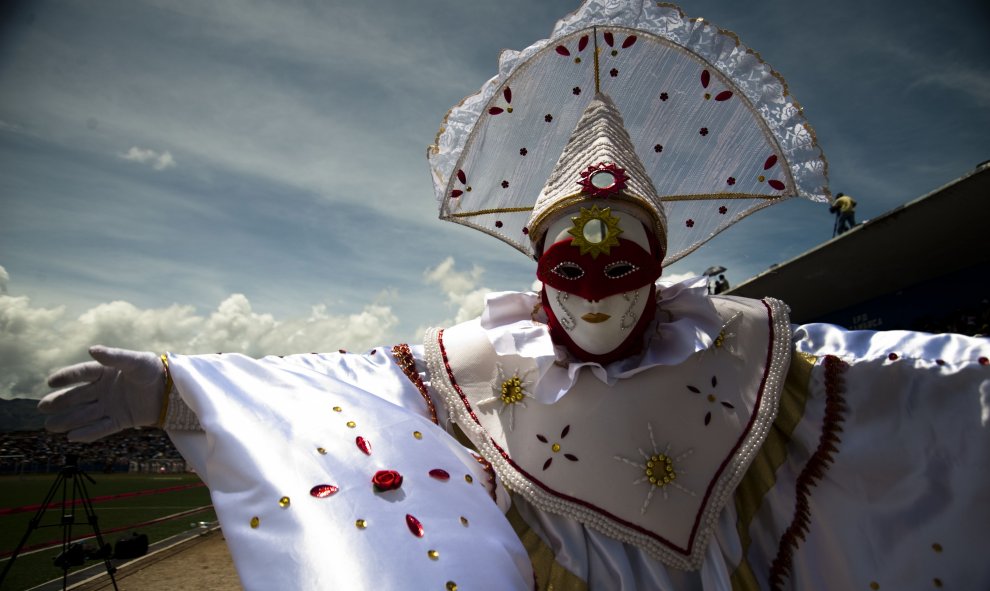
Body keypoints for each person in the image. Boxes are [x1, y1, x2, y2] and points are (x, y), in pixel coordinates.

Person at [38, 2, 990, 589]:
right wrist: (182, 387)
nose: (595, 289)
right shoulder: (478, 366)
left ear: (661, 263)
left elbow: (885, 377)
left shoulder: (739, 350)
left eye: (623, 261)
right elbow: (340, 386)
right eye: (569, 263)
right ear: (535, 265)